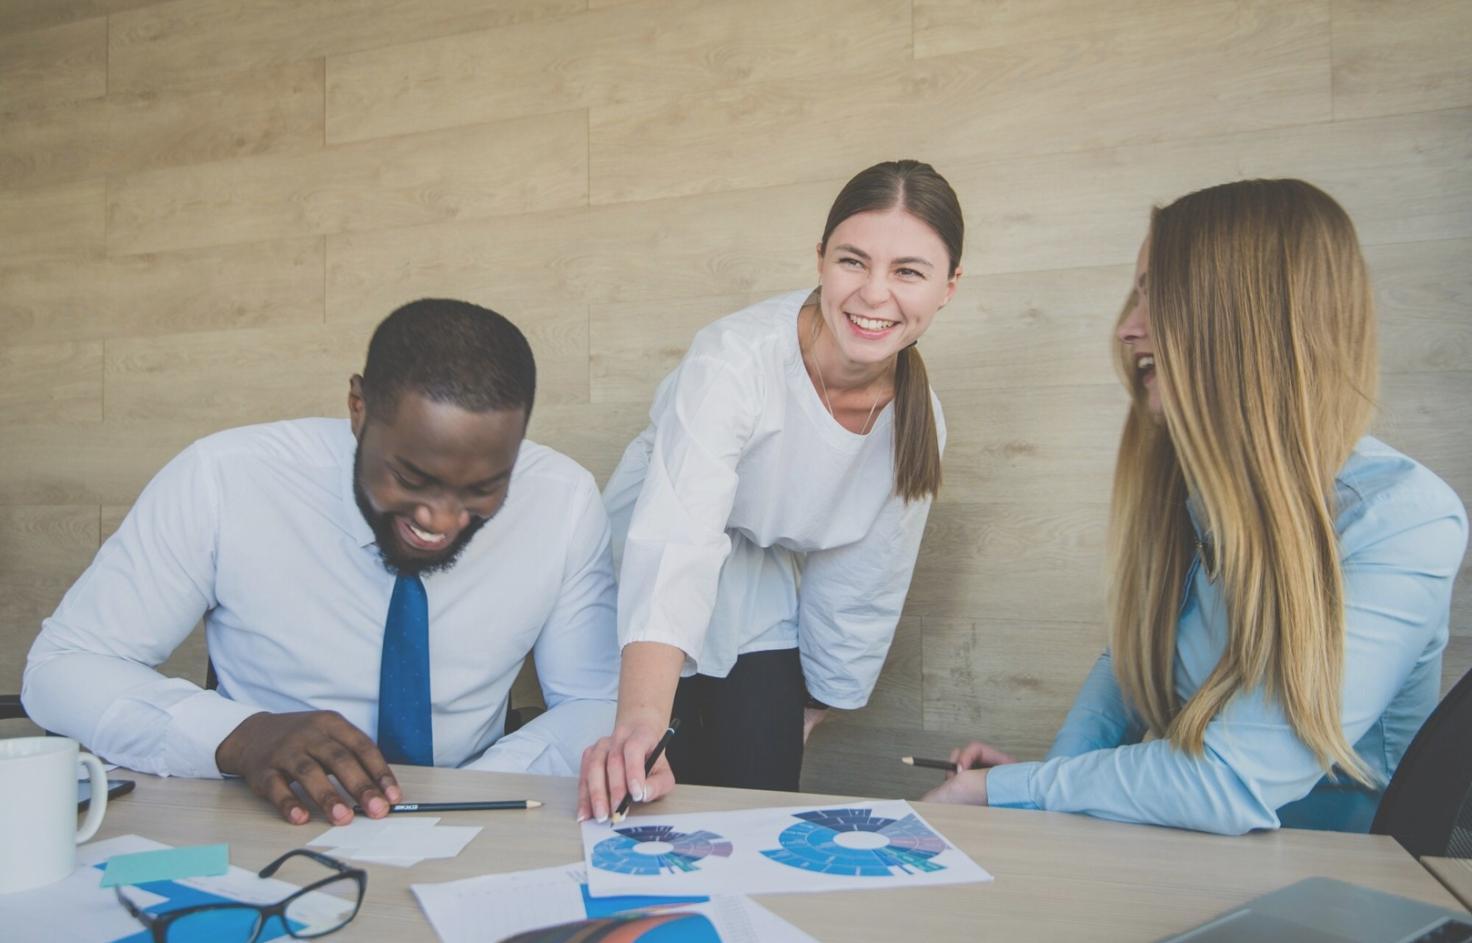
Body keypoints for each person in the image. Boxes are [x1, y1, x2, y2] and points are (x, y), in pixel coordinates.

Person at [923, 179, 1467, 834]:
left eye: (1156, 294)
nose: (1127, 329)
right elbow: (1125, 668)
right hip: (1195, 856)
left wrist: (1015, 788)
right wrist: (1047, 790)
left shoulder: (1404, 518)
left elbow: (1229, 780)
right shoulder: (1193, 494)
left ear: (1244, 315)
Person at [23, 299, 620, 826]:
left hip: (478, 816)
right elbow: (63, 668)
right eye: (411, 477)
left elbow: (594, 700)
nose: (440, 519)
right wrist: (238, 736)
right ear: (358, 408)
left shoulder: (561, 499)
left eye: (483, 488)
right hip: (261, 816)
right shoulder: (224, 479)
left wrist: (492, 777)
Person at [577, 160, 962, 822]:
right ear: (819, 259)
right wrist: (642, 721)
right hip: (651, 548)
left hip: (761, 580)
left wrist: (807, 710)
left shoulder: (919, 422)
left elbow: (864, 583)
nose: (874, 294)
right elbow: (679, 538)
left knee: (759, 786)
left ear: (948, 288)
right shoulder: (733, 359)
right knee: (648, 781)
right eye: (853, 261)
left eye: (908, 271)